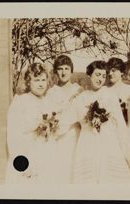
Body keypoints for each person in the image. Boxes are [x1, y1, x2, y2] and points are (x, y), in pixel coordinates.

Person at [57, 60, 130, 184]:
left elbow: (120, 125)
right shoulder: (80, 99)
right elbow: (65, 121)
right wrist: (50, 128)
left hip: (108, 144)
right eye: (97, 75)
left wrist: (126, 149)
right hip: (87, 144)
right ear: (89, 75)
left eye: (103, 76)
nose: (100, 79)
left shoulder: (110, 96)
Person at [6, 63, 57, 184]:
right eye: (36, 80)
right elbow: (13, 134)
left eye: (43, 80)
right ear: (29, 81)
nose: (41, 84)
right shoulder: (21, 101)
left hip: (46, 153)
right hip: (28, 152)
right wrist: (22, 164)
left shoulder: (48, 102)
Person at [46, 55, 83, 183]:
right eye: (60, 69)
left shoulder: (78, 90)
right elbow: (51, 117)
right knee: (63, 172)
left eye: (67, 68)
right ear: (56, 71)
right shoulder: (51, 93)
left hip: (78, 135)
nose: (63, 72)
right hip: (60, 138)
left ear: (71, 71)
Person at [106, 57, 130, 124]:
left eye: (113, 70)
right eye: (108, 71)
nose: (110, 73)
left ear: (122, 72)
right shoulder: (104, 90)